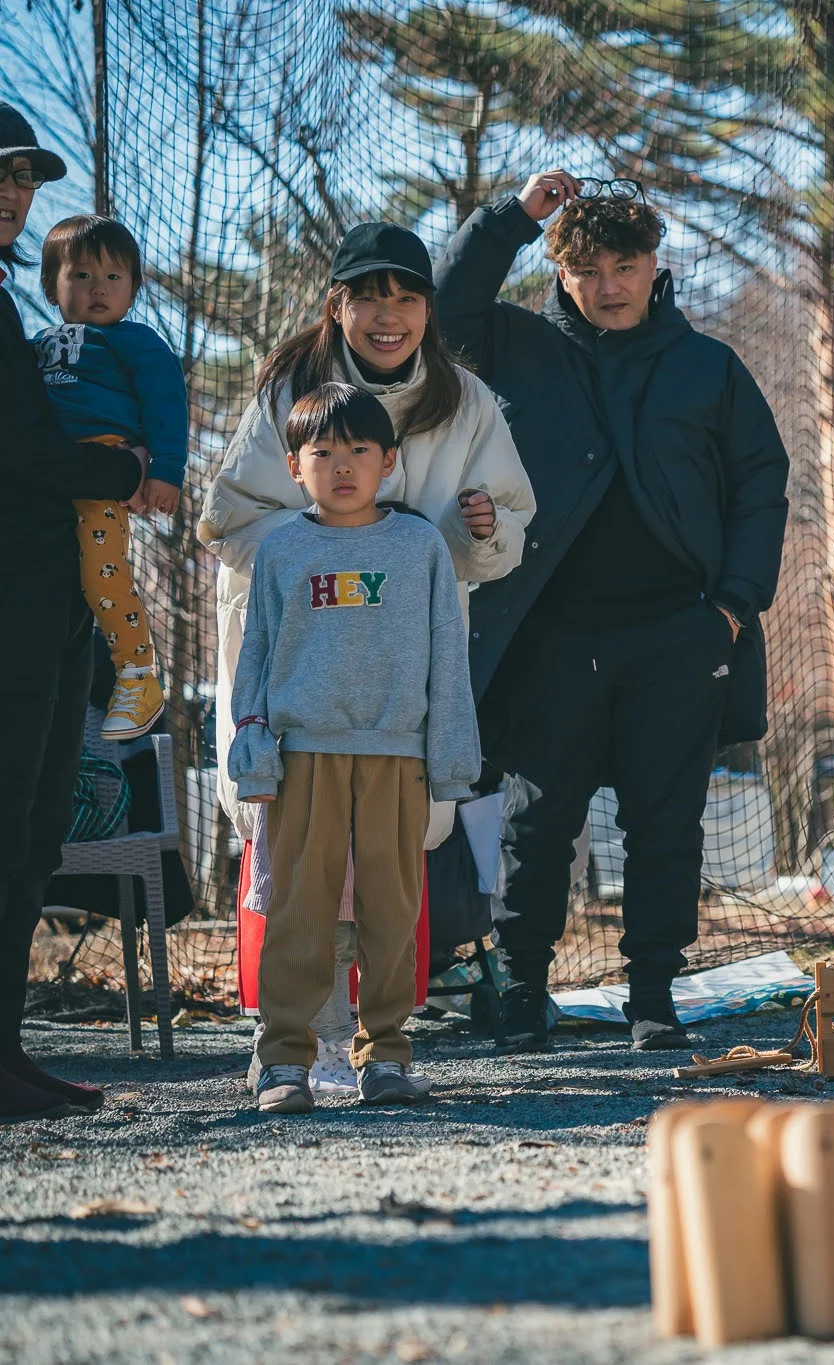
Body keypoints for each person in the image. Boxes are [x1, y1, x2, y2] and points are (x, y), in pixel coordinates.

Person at [436, 173, 790, 1054]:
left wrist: (733, 607)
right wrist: (514, 218)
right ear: (558, 271)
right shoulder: (513, 347)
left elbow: (762, 485)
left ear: (654, 263)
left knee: (664, 820)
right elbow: (445, 303)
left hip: (682, 632)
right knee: (537, 817)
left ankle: (653, 995)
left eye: (624, 264)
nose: (607, 285)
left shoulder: (707, 365)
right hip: (551, 632)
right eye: (585, 267)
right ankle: (522, 988)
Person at [199, 222, 534, 1094]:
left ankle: (383, 1049)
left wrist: (474, 534)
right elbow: (226, 518)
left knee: (386, 888)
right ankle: (293, 1046)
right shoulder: (290, 390)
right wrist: (341, 544)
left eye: (407, 297)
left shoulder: (466, 401)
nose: (389, 317)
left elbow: (503, 525)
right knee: (302, 885)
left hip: (392, 702)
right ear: (336, 307)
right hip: (302, 692)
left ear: (428, 308)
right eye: (368, 298)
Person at [231, 384, 481, 1112]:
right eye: (323, 452)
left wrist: (451, 755)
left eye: (360, 451)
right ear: (293, 465)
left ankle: (387, 1057)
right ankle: (282, 1060)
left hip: (396, 757)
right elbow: (256, 657)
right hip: (303, 754)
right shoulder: (281, 551)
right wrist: (252, 748)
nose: (343, 465)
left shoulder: (419, 547)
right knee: (299, 909)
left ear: (389, 462)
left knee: (392, 909)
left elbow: (447, 653)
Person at [0, 102, 148, 1123]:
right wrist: (124, 467)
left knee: (34, 830)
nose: (13, 193)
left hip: (49, 600)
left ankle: (5, 1052)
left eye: (23, 178)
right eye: (1, 174)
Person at [33, 214, 186, 740]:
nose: (98, 288)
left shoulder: (135, 341)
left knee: (101, 571)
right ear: (51, 285)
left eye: (113, 277)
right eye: (80, 275)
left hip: (104, 463)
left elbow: (167, 404)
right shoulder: (33, 344)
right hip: (45, 474)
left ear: (134, 289)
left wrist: (163, 470)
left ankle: (138, 674)